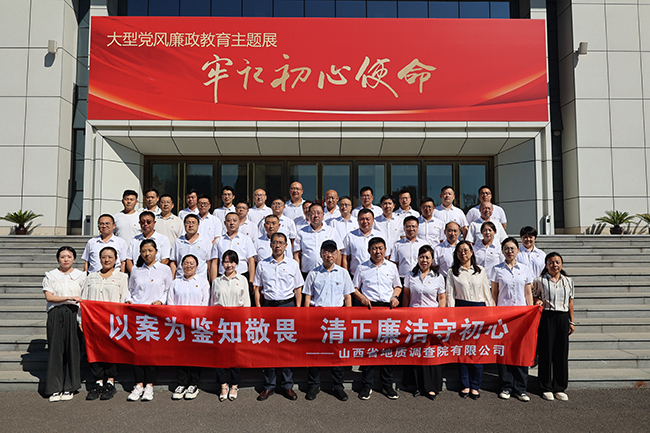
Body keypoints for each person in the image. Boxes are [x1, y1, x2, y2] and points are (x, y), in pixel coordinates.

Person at [253, 232, 304, 401]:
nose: (277, 245)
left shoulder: (293, 264)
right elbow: (257, 288)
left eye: (281, 243)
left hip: (287, 307)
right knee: (268, 348)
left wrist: (297, 309)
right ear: (270, 245)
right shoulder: (262, 264)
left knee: (286, 347)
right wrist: (259, 308)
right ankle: (269, 385)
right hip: (268, 307)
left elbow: (298, 288)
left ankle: (287, 385)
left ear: (286, 246)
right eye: (275, 242)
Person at [302, 240, 354, 401]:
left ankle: (338, 386)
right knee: (315, 352)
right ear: (321, 254)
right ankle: (313, 385)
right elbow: (308, 297)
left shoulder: (343, 273)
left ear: (337, 254)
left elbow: (347, 297)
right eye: (326, 252)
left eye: (332, 252)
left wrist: (348, 318)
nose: (329, 255)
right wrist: (306, 318)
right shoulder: (313, 273)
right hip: (318, 318)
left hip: (337, 319)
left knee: (337, 353)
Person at [352, 237, 401, 400]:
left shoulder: (392, 267)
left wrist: (395, 297)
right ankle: (367, 385)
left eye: (380, 248)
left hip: (387, 309)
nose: (377, 251)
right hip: (369, 309)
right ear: (369, 251)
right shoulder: (362, 267)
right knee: (369, 349)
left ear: (385, 250)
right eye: (374, 248)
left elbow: (398, 286)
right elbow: (354, 288)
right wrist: (362, 298)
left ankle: (387, 385)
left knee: (387, 349)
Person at [126, 239, 173, 402]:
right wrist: (128, 300)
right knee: (136, 351)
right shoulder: (136, 270)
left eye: (150, 250)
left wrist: (161, 301)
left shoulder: (165, 269)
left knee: (151, 351)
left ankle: (149, 385)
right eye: (144, 251)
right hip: (137, 315)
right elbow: (131, 289)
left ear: (156, 251)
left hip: (154, 315)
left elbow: (168, 290)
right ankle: (138, 384)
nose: (147, 254)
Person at [446, 241, 494, 400]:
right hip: (461, 310)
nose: (463, 253)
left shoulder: (480, 271)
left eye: (466, 250)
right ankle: (465, 384)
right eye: (460, 251)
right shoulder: (452, 272)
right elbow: (450, 296)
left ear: (472, 252)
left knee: (478, 350)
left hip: (479, 310)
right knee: (463, 350)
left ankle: (475, 385)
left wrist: (491, 313)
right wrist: (452, 318)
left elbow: (487, 293)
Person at [80, 246, 129, 401]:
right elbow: (84, 299)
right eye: (103, 257)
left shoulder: (122, 277)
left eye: (110, 257)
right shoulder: (91, 276)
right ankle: (98, 382)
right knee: (94, 351)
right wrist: (80, 320)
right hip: (93, 322)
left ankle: (110, 382)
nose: (107, 260)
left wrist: (121, 322)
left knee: (111, 352)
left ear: (116, 259)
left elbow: (124, 300)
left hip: (112, 322)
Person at [489, 237, 534, 402]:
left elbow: (528, 293)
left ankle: (521, 388)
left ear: (518, 250)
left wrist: (531, 312)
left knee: (521, 351)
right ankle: (506, 387)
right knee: (505, 351)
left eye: (512, 248)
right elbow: (494, 294)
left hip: (522, 316)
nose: (509, 251)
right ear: (502, 251)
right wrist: (493, 313)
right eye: (506, 248)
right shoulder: (496, 269)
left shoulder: (525, 269)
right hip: (504, 317)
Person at [402, 245, 445, 400]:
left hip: (431, 319)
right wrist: (405, 315)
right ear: (418, 258)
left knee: (431, 352)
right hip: (414, 319)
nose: (424, 260)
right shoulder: (410, 275)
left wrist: (440, 317)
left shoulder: (438, 277)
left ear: (432, 260)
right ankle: (417, 385)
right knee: (416, 351)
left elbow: (442, 298)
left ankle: (431, 387)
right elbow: (406, 296)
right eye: (421, 257)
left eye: (427, 257)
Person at [43, 246, 86, 402]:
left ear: (74, 259)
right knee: (55, 350)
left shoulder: (81, 276)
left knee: (73, 350)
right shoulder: (51, 275)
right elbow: (49, 297)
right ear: (57, 259)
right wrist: (69, 298)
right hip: (56, 313)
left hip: (74, 314)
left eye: (69, 256)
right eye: (62, 257)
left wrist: (81, 319)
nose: (66, 259)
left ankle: (70, 386)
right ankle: (54, 388)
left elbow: (84, 298)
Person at [533, 252, 575, 402]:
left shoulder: (568, 281)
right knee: (546, 352)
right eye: (551, 262)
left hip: (563, 317)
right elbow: (534, 295)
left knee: (561, 353)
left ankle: (559, 387)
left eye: (557, 262)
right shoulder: (539, 280)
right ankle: (546, 387)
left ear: (561, 264)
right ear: (546, 265)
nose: (554, 265)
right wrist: (537, 300)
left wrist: (572, 321)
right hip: (547, 317)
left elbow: (570, 301)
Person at [167, 254, 210, 401]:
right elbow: (170, 303)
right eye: (185, 263)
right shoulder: (175, 283)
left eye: (192, 263)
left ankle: (194, 384)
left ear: (197, 266)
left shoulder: (203, 282)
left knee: (196, 354)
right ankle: (182, 383)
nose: (188, 266)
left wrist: (195, 319)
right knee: (181, 355)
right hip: (180, 325)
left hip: (196, 325)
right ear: (181, 265)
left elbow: (205, 303)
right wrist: (179, 319)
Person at [211, 250, 251, 401]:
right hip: (220, 322)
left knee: (235, 354)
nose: (229, 265)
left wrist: (245, 323)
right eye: (226, 261)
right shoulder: (217, 281)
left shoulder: (242, 279)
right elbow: (212, 303)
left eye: (232, 261)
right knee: (220, 354)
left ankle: (234, 385)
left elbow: (246, 303)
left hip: (237, 322)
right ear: (222, 263)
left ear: (237, 263)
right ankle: (223, 385)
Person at [294, 203, 342, 279]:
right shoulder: (301, 232)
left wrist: (337, 270)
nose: (316, 215)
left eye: (319, 213)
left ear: (323, 215)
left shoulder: (331, 231)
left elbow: (338, 252)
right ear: (308, 214)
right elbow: (297, 254)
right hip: (306, 273)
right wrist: (297, 272)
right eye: (313, 213)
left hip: (327, 272)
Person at [210, 212, 256, 290]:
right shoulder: (219, 240)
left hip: (242, 276)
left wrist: (251, 281)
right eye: (229, 221)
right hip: (223, 277)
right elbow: (215, 262)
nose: (232, 223)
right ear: (225, 223)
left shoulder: (246, 239)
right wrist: (214, 282)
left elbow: (251, 261)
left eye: (234, 220)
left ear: (239, 222)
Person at [341, 208, 385, 277]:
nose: (365, 221)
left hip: (375, 275)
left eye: (368, 219)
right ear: (357, 220)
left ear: (373, 220)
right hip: (355, 275)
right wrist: (346, 276)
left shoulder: (380, 235)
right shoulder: (350, 236)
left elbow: (386, 257)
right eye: (362, 219)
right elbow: (345, 258)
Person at [169, 214, 213, 281]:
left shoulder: (206, 241)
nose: (191, 225)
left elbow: (209, 263)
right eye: (188, 223)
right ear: (184, 225)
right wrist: (172, 280)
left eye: (193, 223)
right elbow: (173, 262)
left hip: (200, 280)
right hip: (180, 279)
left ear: (198, 225)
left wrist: (210, 281)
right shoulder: (178, 242)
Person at [389, 216, 428, 281]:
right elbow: (394, 264)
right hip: (402, 278)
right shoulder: (397, 244)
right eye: (408, 226)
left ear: (418, 228)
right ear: (404, 228)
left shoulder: (424, 244)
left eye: (413, 226)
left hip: (420, 278)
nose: (411, 229)